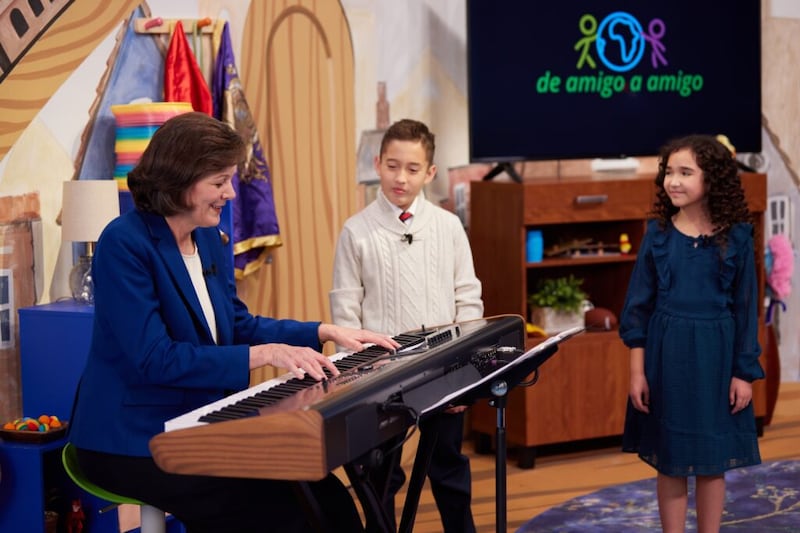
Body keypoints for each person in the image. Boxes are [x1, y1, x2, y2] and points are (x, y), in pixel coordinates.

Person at [67, 112, 399, 533]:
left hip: (197, 423)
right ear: (180, 178)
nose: (230, 194)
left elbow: (235, 324)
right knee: (279, 511)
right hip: (131, 440)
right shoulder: (123, 242)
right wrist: (265, 354)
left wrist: (321, 332)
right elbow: (155, 359)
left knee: (324, 494)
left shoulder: (207, 235)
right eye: (219, 181)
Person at [330, 118, 484, 532]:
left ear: (430, 173)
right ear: (378, 163)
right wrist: (353, 380)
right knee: (380, 476)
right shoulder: (356, 231)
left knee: (449, 470)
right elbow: (346, 313)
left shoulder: (448, 226)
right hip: (380, 376)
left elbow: (468, 299)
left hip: (443, 369)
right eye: (393, 165)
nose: (401, 177)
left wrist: (467, 372)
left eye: (413, 169)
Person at [619, 134, 764, 532]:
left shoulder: (736, 237)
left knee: (711, 458)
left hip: (717, 361)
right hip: (667, 359)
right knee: (671, 456)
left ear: (712, 180)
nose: (673, 181)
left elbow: (747, 310)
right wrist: (637, 373)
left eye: (686, 173)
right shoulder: (658, 235)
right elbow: (637, 311)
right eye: (669, 172)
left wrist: (743, 372)